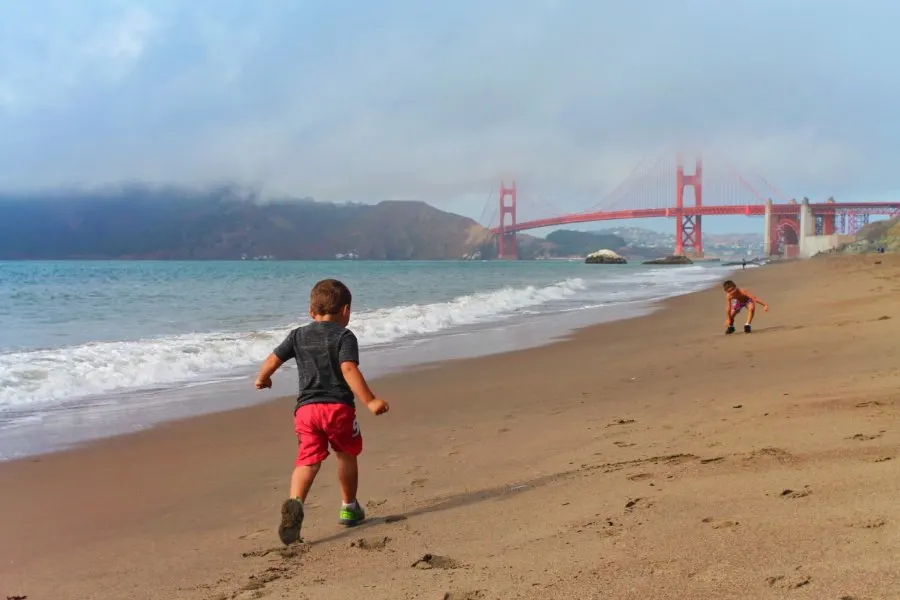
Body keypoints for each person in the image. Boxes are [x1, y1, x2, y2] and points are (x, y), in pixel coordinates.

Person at [254, 278, 390, 545]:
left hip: (306, 411)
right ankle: (349, 507)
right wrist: (371, 401)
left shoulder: (297, 335)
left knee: (307, 461)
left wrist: (263, 378)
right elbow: (348, 369)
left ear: (311, 312)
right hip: (337, 409)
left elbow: (273, 359)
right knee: (346, 454)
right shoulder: (344, 336)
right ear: (346, 311)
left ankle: (294, 504)